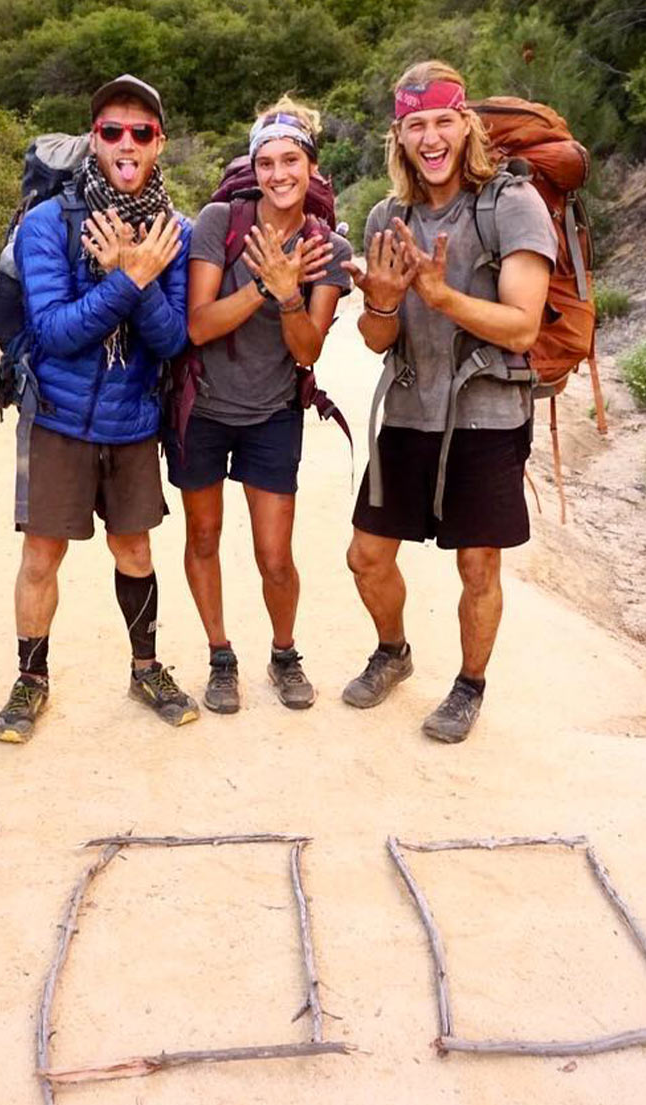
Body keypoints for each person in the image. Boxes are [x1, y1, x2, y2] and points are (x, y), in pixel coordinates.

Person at [339, 60, 554, 744]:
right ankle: (393, 652)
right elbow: (378, 340)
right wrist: (382, 301)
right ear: (398, 136)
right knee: (366, 555)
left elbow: (522, 325)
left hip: (487, 412)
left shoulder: (510, 206)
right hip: (408, 408)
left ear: (466, 126)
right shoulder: (387, 216)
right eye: (415, 126)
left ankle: (469, 685)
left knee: (477, 564)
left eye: (442, 122)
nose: (430, 139)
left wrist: (441, 297)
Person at [0, 74, 197, 744]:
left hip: (133, 420)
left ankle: (145, 669)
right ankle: (31, 680)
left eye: (141, 132)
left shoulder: (173, 230)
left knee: (134, 547)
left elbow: (170, 340)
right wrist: (132, 279)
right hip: (57, 416)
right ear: (94, 139)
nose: (127, 143)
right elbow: (53, 333)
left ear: (159, 142)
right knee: (42, 553)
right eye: (112, 131)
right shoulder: (48, 224)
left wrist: (131, 278)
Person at [172, 98, 353, 714]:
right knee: (204, 535)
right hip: (202, 405)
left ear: (311, 166)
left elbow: (306, 352)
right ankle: (221, 656)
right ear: (255, 167)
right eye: (268, 162)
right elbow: (199, 326)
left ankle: (283, 652)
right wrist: (262, 286)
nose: (280, 173)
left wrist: (291, 297)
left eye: (292, 160)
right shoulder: (220, 221)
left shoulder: (324, 247)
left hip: (273, 409)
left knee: (275, 555)